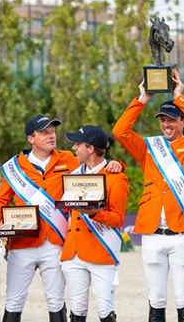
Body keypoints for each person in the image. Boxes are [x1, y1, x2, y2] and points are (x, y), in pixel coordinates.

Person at [0, 114, 120, 322]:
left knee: (56, 301)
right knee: (14, 301)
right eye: (44, 133)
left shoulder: (69, 159)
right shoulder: (14, 167)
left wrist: (116, 163)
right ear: (31, 138)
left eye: (53, 131)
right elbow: (0, 200)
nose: (51, 136)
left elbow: (95, 162)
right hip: (22, 243)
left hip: (55, 243)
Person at [112, 70, 184, 322]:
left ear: (183, 121)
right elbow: (120, 131)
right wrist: (142, 98)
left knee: (182, 300)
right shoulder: (148, 148)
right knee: (156, 300)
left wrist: (180, 98)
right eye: (163, 120)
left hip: (181, 236)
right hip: (152, 235)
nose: (166, 124)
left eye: (172, 120)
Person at [60, 125, 130, 322]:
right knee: (77, 310)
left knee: (105, 311)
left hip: (101, 251)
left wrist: (95, 213)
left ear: (90, 148)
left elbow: (117, 219)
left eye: (78, 144)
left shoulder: (117, 179)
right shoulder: (72, 175)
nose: (74, 148)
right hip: (73, 252)